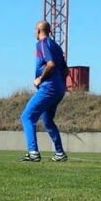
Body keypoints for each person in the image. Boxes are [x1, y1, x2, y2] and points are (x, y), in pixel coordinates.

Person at [19, 20, 68, 162]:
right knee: (47, 121)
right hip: (59, 88)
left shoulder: (42, 44)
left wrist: (40, 79)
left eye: (35, 30)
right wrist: (60, 84)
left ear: (39, 30)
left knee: (27, 116)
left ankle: (33, 152)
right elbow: (66, 70)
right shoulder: (57, 46)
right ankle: (59, 153)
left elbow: (51, 64)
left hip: (49, 87)